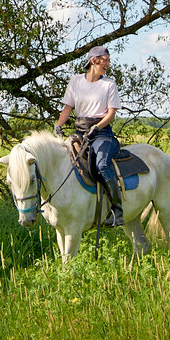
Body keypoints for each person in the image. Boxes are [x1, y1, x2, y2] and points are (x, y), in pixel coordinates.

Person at [54, 44, 123, 226]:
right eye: (105, 61)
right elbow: (67, 108)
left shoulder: (109, 84)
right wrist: (58, 125)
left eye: (108, 61)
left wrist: (97, 127)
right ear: (94, 61)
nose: (108, 64)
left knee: (101, 164)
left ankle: (117, 211)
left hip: (102, 134)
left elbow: (111, 114)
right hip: (80, 133)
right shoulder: (76, 81)